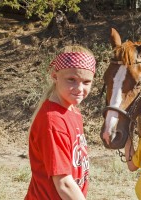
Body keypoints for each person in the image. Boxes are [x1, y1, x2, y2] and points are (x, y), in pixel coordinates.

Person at [25, 45, 96, 200]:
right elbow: (64, 184)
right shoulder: (53, 121)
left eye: (86, 82)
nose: (79, 88)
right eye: (71, 79)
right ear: (55, 76)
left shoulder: (73, 111)